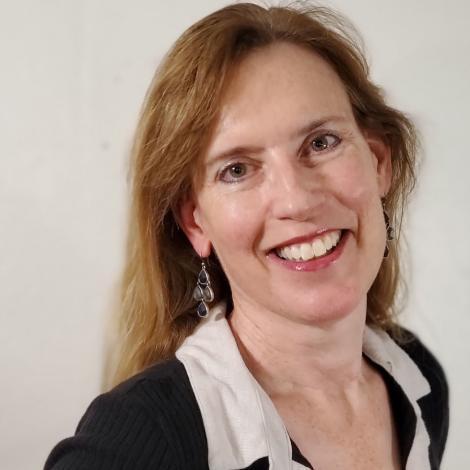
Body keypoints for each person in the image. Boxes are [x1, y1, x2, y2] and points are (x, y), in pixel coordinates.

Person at [44, 2, 449, 469]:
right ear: (196, 222)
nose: (296, 200)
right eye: (237, 169)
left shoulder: (420, 383)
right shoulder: (139, 441)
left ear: (378, 163)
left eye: (321, 142)